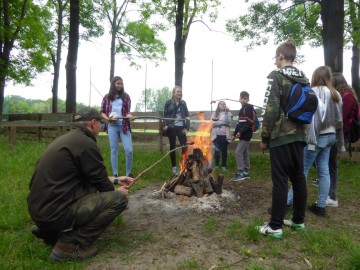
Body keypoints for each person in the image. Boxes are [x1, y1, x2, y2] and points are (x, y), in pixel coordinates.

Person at [27, 107, 133, 261]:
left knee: (91, 189)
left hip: (40, 210)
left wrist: (117, 179)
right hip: (54, 213)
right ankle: (68, 246)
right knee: (119, 200)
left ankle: (51, 232)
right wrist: (118, 192)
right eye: (100, 125)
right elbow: (103, 186)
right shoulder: (87, 144)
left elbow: (88, 175)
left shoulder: (69, 139)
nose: (101, 128)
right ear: (93, 123)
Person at [256, 40, 308, 239]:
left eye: (275, 58)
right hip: (300, 135)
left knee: (280, 181)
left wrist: (265, 137)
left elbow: (271, 110)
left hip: (281, 136)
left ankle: (275, 226)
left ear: (280, 56)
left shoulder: (276, 76)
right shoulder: (303, 78)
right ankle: (298, 221)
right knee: (298, 178)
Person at [287, 66, 344, 216]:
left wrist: (311, 139)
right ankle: (320, 206)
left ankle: (288, 202)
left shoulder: (314, 92)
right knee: (324, 170)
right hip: (331, 135)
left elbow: (313, 120)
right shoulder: (336, 94)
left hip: (317, 136)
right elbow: (340, 120)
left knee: (302, 170)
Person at [100, 76, 134, 180]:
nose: (119, 85)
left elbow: (127, 111)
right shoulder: (106, 97)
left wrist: (129, 116)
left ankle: (128, 174)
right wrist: (109, 119)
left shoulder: (126, 97)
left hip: (124, 126)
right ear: (113, 84)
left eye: (121, 84)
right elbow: (102, 112)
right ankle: (115, 174)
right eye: (118, 83)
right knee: (114, 150)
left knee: (129, 150)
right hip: (112, 127)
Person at [163, 86, 190, 174]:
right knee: (173, 147)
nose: (179, 93)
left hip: (181, 127)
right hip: (172, 127)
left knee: (184, 147)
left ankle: (183, 166)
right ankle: (174, 167)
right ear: (173, 93)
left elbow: (187, 116)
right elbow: (165, 115)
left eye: (180, 92)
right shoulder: (168, 103)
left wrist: (187, 128)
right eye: (177, 92)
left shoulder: (183, 103)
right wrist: (166, 125)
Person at [232, 91, 255, 181]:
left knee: (238, 152)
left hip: (247, 134)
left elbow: (249, 123)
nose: (243, 100)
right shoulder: (242, 109)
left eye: (245, 98)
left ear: (248, 99)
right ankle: (246, 172)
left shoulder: (248, 108)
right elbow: (239, 124)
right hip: (243, 134)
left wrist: (240, 133)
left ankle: (240, 172)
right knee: (244, 152)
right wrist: (235, 134)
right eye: (242, 98)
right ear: (239, 99)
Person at [211, 101, 232, 171]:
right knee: (217, 151)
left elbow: (228, 122)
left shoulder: (228, 113)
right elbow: (212, 123)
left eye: (224, 104)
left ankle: (223, 166)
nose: (222, 105)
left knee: (224, 151)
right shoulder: (215, 113)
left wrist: (225, 113)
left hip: (224, 136)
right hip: (216, 136)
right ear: (218, 105)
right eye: (221, 104)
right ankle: (216, 165)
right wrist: (222, 123)